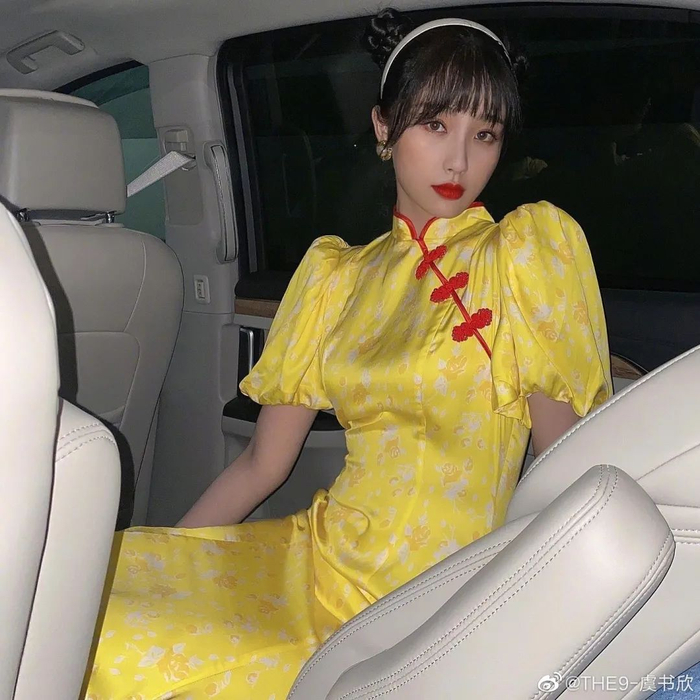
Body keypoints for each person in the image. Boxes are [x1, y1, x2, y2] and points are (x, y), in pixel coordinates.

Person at [84, 9, 612, 699]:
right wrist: (171, 561)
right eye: (435, 125)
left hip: (426, 600)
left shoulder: (522, 254)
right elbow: (262, 464)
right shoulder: (337, 278)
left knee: (142, 659)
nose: (459, 160)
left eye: (484, 134)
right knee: (101, 602)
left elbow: (565, 470)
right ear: (383, 128)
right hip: (314, 561)